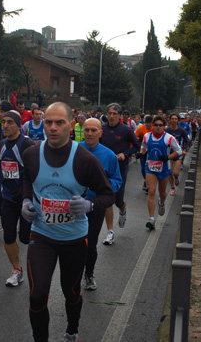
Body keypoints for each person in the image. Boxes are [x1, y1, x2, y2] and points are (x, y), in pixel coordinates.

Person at [20, 102, 115, 342]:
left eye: (59, 122)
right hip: (41, 235)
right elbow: (26, 178)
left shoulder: (84, 159)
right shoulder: (32, 153)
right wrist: (26, 201)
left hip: (74, 238)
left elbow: (108, 194)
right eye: (49, 122)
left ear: (71, 125)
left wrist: (89, 205)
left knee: (71, 291)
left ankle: (72, 331)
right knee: (37, 295)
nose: (53, 127)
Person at [0, 110, 35, 287]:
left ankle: (36, 268)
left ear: (18, 125)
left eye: (10, 122)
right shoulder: (1, 144)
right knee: (8, 236)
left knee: (26, 238)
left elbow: (36, 172)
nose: (6, 125)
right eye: (3, 122)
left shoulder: (27, 145)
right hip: (8, 198)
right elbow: (2, 169)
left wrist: (27, 193)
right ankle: (17, 270)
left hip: (26, 200)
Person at [79, 118, 122, 290]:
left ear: (100, 132)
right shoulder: (74, 150)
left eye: (93, 130)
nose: (89, 133)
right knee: (74, 245)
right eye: (87, 130)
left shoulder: (109, 155)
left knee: (90, 244)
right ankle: (74, 274)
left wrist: (103, 187)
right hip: (74, 207)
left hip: (95, 207)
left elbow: (117, 181)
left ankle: (89, 273)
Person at [100, 103, 140, 245]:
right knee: (108, 199)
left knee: (117, 201)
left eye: (114, 114)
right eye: (109, 113)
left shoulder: (126, 130)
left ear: (119, 115)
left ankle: (123, 209)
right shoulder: (102, 129)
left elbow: (137, 146)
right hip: (104, 169)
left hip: (120, 168)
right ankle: (110, 232)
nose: (111, 116)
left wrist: (125, 154)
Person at [139, 115, 182, 230]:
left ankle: (161, 202)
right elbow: (143, 147)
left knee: (162, 192)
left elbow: (178, 151)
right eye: (156, 125)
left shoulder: (169, 138)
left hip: (164, 168)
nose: (158, 127)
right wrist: (142, 153)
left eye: (160, 125)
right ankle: (151, 219)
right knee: (151, 191)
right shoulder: (147, 136)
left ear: (164, 126)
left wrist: (168, 157)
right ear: (153, 126)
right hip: (151, 167)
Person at [166, 113, 189, 196]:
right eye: (172, 119)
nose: (174, 120)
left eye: (176, 119)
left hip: (178, 153)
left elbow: (186, 140)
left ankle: (176, 177)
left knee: (175, 173)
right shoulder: (167, 130)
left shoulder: (181, 130)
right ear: (170, 120)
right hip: (169, 153)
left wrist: (184, 149)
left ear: (178, 120)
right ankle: (172, 188)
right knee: (169, 172)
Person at [135, 115, 154, 192]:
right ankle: (146, 180)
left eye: (150, 123)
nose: (148, 125)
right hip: (143, 149)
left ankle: (150, 182)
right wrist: (139, 138)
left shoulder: (154, 128)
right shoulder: (141, 128)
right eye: (147, 123)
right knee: (143, 167)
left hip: (152, 150)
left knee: (150, 167)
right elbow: (135, 136)